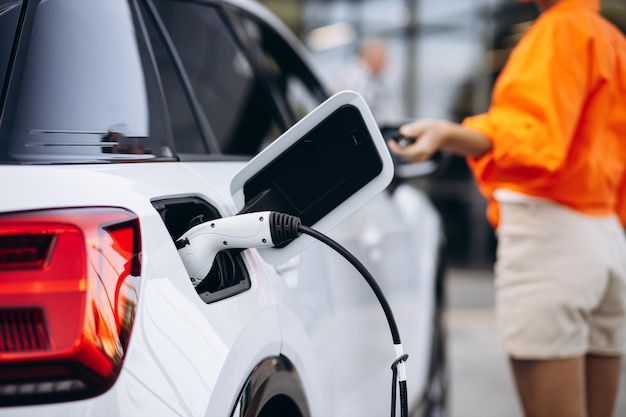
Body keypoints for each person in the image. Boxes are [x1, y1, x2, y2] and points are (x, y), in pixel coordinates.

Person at [389, 0, 626, 416]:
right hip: (605, 236)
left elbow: (529, 137)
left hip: (552, 236)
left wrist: (446, 134)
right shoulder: (612, 40)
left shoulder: (559, 31)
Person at [331, 37, 398, 125]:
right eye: (381, 57)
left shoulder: (375, 78)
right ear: (367, 55)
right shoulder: (355, 78)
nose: (384, 62)